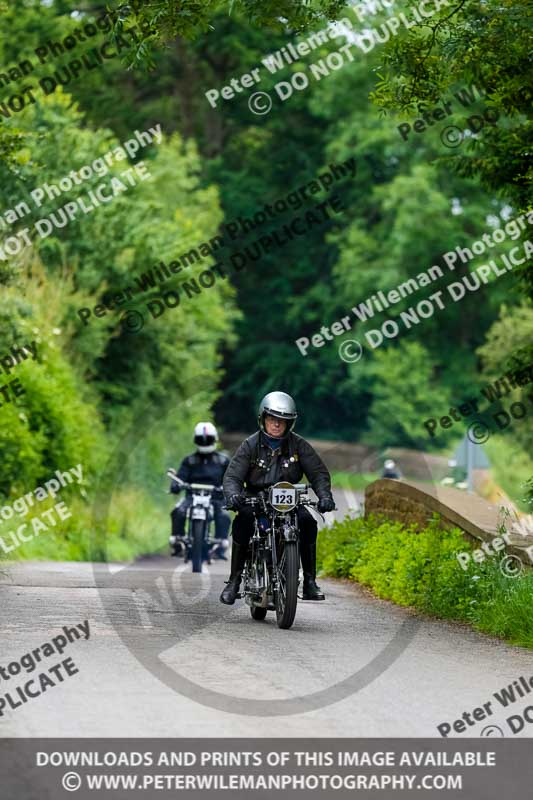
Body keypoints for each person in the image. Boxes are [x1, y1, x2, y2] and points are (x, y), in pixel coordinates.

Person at [220, 391, 335, 605]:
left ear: (289, 424)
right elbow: (233, 475)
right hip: (256, 499)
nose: (276, 424)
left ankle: (309, 581)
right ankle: (234, 580)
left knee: (308, 522)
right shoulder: (250, 445)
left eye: (282, 421)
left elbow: (318, 473)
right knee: (243, 520)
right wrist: (234, 495)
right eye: (272, 419)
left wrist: (325, 496)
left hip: (288, 502)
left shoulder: (299, 446)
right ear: (263, 419)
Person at [169, 422, 230, 559]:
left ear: (214, 439)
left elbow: (230, 479)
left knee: (224, 515)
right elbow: (180, 477)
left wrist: (229, 488)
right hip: (192, 497)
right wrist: (176, 485)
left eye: (207, 439)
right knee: (177, 511)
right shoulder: (189, 461)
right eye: (201, 439)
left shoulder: (223, 461)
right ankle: (178, 544)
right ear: (196, 440)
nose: (204, 442)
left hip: (216, 497)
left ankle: (220, 547)